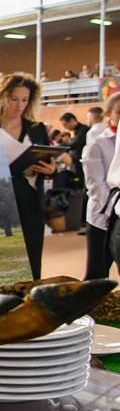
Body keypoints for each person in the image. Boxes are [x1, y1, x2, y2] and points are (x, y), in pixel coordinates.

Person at [0, 72, 55, 279]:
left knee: (32, 259)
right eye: (14, 99)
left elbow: (48, 161)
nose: (19, 105)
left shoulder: (37, 129)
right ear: (0, 98)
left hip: (29, 199)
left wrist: (51, 170)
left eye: (24, 100)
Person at [83, 94, 119, 279]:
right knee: (96, 274)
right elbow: (96, 186)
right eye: (119, 112)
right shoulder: (96, 144)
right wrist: (115, 212)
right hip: (102, 218)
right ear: (108, 114)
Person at [61, 111, 90, 232]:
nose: (64, 128)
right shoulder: (78, 131)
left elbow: (76, 144)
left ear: (72, 120)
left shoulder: (84, 130)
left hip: (82, 167)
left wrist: (64, 146)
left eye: (65, 124)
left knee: (83, 191)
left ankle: (84, 219)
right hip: (76, 166)